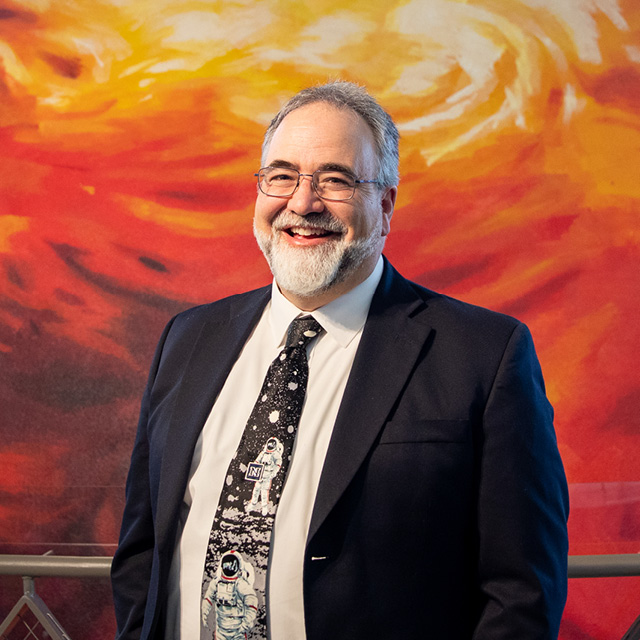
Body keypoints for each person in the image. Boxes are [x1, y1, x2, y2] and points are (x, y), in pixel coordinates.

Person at [111, 81, 569, 640]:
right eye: (281, 175)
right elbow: (142, 550)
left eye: (335, 179)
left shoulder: (485, 355)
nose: (302, 203)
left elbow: (521, 591)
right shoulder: (187, 339)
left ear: (385, 203)